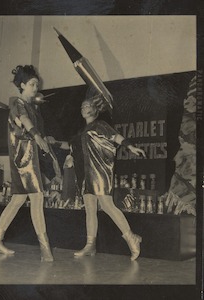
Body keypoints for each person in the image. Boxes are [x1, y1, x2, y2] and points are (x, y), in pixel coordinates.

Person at [49, 92, 146, 261]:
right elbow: (70, 145)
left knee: (107, 205)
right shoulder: (80, 132)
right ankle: (90, 245)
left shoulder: (100, 125)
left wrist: (130, 146)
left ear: (95, 109)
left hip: (100, 172)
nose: (84, 108)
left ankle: (132, 237)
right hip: (86, 175)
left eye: (87, 106)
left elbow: (116, 137)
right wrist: (54, 142)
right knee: (89, 209)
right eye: (82, 106)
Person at [0, 65, 54, 262]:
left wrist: (44, 139)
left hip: (27, 156)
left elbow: (32, 125)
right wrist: (37, 137)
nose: (36, 88)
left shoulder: (33, 107)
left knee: (17, 199)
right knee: (37, 197)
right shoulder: (17, 102)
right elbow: (23, 120)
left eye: (37, 85)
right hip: (23, 157)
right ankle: (45, 249)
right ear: (22, 84)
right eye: (32, 84)